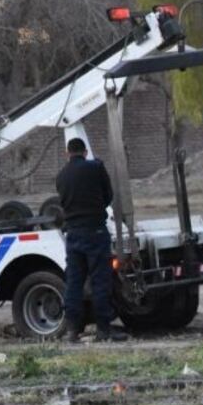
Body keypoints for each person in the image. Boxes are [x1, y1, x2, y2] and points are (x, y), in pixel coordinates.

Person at [55, 137, 128, 342]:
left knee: (74, 283)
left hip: (74, 235)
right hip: (95, 232)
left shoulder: (61, 177)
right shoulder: (96, 168)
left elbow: (62, 204)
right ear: (85, 152)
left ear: (67, 153)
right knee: (100, 281)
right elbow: (108, 196)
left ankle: (72, 331)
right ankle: (103, 330)